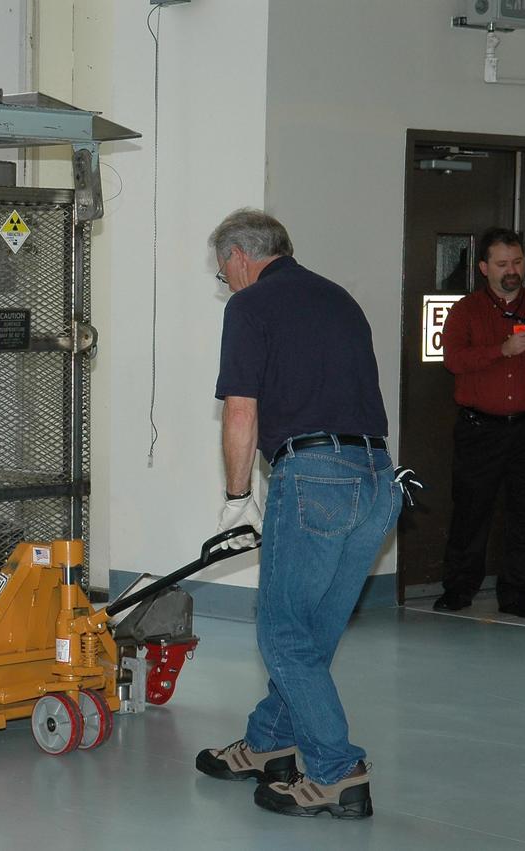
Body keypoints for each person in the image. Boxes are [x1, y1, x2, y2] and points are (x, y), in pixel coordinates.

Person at [194, 208, 401, 820]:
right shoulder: (339, 298)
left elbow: (240, 409)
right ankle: (268, 743)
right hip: (377, 478)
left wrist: (237, 499)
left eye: (221, 270)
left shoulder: (250, 305)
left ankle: (338, 771)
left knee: (283, 634)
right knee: (311, 635)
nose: (225, 281)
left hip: (313, 478)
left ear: (238, 256)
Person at [434, 228, 525, 620]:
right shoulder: (466, 311)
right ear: (484, 267)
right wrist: (501, 350)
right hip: (480, 428)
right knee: (471, 509)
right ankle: (459, 588)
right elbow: (453, 360)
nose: (511, 270)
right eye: (502, 264)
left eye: (517, 262)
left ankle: (517, 593)